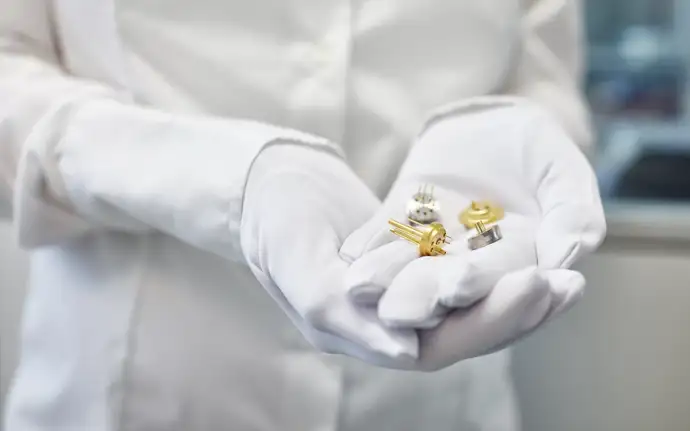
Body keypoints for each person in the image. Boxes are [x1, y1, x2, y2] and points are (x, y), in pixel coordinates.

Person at [0, 0, 606, 430]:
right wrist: (222, 176)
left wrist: (525, 142)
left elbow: (545, 80)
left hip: (439, 400)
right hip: (128, 397)